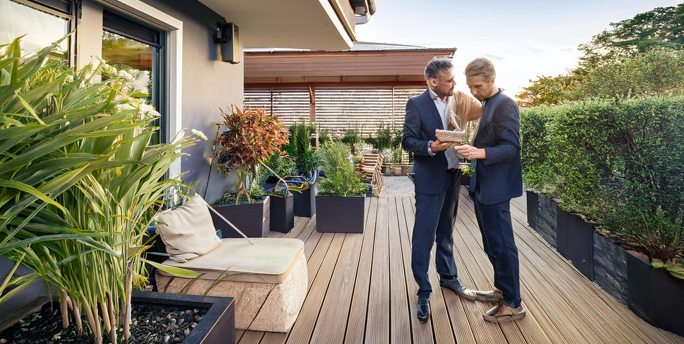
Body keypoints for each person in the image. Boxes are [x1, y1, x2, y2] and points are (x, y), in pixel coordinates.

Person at [401, 57, 485, 323]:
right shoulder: (416, 104)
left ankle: (448, 278)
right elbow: (407, 140)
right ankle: (424, 291)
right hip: (429, 179)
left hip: (453, 175)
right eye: (449, 80)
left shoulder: (456, 98)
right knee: (424, 235)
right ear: (433, 82)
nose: (454, 83)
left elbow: (479, 110)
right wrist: (429, 147)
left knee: (447, 231)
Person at [455, 57, 526, 322]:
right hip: (485, 187)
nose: (473, 92)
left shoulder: (505, 104)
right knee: (491, 244)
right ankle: (503, 291)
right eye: (470, 87)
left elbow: (511, 148)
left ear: (492, 80)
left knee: (503, 245)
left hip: (496, 188)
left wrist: (478, 152)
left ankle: (513, 303)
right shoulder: (488, 103)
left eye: (477, 87)